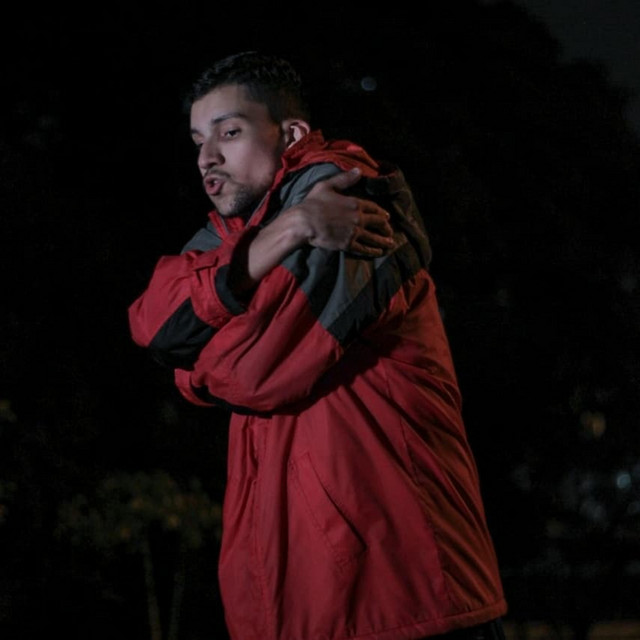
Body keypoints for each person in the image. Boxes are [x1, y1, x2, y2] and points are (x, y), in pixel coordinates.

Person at [128, 51, 507, 640]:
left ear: (291, 135)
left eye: (230, 132)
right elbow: (153, 323)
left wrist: (192, 367)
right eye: (198, 140)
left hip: (402, 594)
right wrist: (290, 229)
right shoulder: (250, 231)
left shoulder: (350, 199)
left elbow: (254, 376)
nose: (207, 157)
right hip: (302, 604)